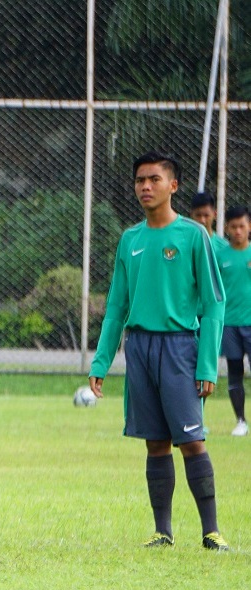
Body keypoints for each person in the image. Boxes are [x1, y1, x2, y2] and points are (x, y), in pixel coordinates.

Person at [89, 151, 229, 552]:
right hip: (140, 347)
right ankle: (162, 532)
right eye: (139, 180)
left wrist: (207, 365)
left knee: (191, 439)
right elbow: (116, 306)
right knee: (155, 441)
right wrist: (101, 361)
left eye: (153, 179)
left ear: (174, 185)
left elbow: (214, 303)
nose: (145, 186)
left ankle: (211, 531)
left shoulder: (192, 236)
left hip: (180, 348)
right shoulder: (129, 239)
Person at [216, 205, 251, 436]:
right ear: (227, 228)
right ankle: (241, 421)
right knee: (235, 370)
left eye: (242, 226)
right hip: (229, 323)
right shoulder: (220, 256)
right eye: (234, 227)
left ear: (249, 227)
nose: (238, 231)